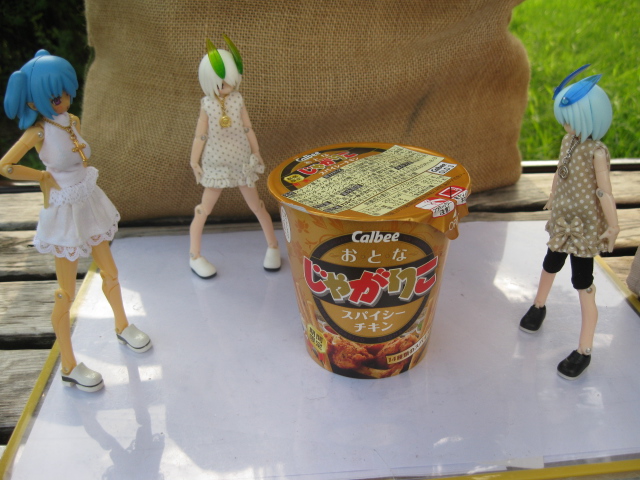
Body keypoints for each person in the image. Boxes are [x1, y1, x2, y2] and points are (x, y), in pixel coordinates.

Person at [1, 50, 152, 393]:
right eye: (55, 96)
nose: (64, 100)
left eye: (67, 93)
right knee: (65, 293)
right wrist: (41, 177)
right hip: (64, 211)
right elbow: (6, 166)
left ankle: (122, 325)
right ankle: (68, 365)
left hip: (87, 199)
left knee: (110, 271)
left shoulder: (71, 121)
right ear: (36, 102)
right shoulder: (38, 132)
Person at [519, 64, 617, 379]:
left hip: (584, 226)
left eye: (570, 119)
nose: (565, 125)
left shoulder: (597, 152)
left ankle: (584, 349)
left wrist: (613, 225)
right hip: (563, 218)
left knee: (583, 283)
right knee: (550, 263)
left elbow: (604, 191)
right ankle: (538, 305)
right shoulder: (568, 141)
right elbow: (560, 172)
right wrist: (552, 195)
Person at [188, 36, 280, 278]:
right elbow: (200, 135)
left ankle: (273, 246)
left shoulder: (238, 100)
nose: (224, 86)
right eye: (219, 82)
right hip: (216, 163)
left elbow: (248, 128)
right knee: (203, 210)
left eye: (228, 80)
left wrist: (256, 152)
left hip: (241, 161)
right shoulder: (207, 104)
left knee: (257, 206)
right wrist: (194, 161)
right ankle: (194, 256)